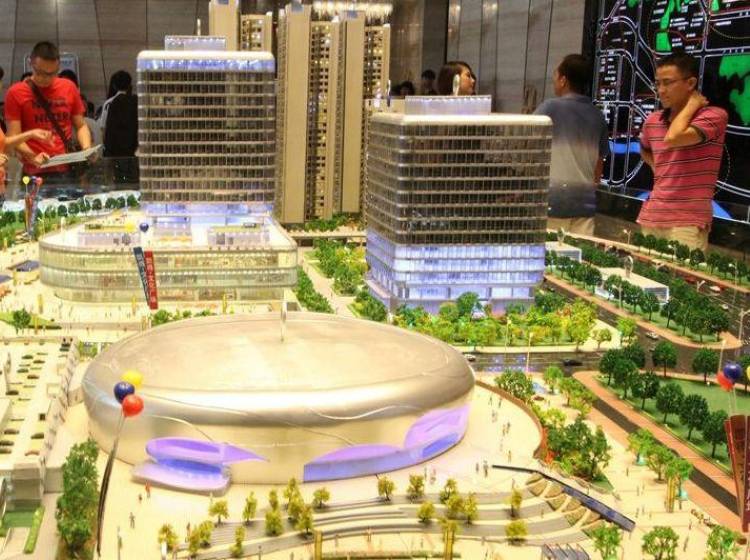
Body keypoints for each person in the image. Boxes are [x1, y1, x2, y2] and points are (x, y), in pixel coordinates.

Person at [638, 52, 727, 252]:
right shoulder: (653, 121)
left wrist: (692, 105)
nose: (661, 90)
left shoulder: (714, 116)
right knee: (643, 271)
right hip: (652, 214)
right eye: (658, 83)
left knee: (682, 272)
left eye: (668, 83)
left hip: (687, 221)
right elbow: (644, 149)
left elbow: (674, 137)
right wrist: (659, 169)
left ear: (691, 83)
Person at [534, 54, 609, 236]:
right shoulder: (597, 116)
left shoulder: (549, 108)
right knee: (580, 252)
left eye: (555, 74)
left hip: (551, 204)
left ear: (563, 80)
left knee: (551, 252)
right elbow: (599, 165)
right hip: (585, 207)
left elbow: (526, 143)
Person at [4, 41, 92, 180]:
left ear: (58, 68)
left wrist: (87, 149)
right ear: (31, 64)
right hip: (33, 170)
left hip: (66, 167)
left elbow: (81, 125)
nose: (45, 79)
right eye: (40, 73)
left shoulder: (69, 87)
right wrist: (33, 156)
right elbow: (14, 136)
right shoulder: (16, 92)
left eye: (51, 74)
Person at [99, 71, 138, 171]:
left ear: (114, 85)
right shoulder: (136, 102)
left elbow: (103, 128)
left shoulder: (109, 103)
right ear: (130, 84)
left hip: (113, 152)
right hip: (132, 150)